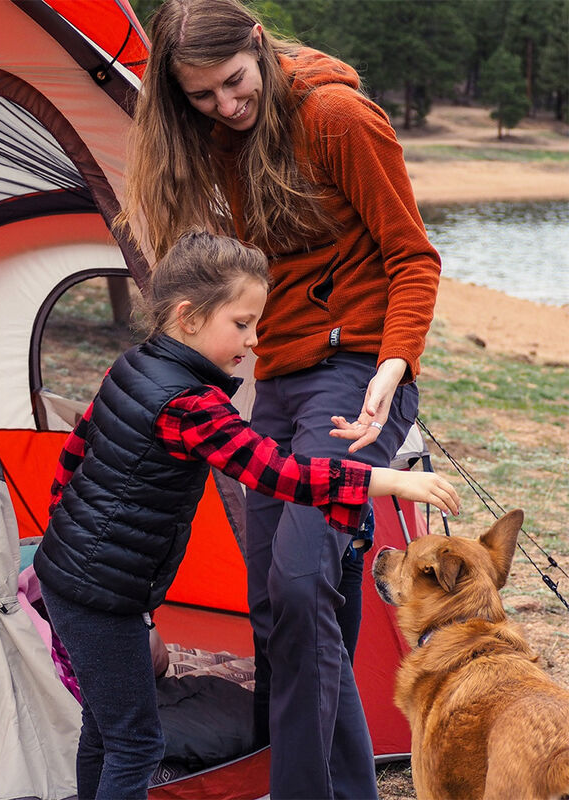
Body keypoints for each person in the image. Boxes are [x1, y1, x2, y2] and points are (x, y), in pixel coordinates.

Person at [115, 2, 444, 797]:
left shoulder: (336, 116)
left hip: (356, 379)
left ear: (257, 45)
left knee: (301, 585)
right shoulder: (226, 139)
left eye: (233, 83)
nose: (225, 106)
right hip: (283, 383)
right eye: (201, 97)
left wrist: (391, 372)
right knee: (282, 604)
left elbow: (414, 256)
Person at [34, 231, 458, 800]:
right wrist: (391, 480)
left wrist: (65, 540)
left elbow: (73, 455)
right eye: (241, 323)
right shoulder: (189, 405)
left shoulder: (132, 366)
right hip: (102, 595)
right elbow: (279, 473)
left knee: (106, 729)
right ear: (187, 316)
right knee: (136, 743)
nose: (255, 340)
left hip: (69, 575)